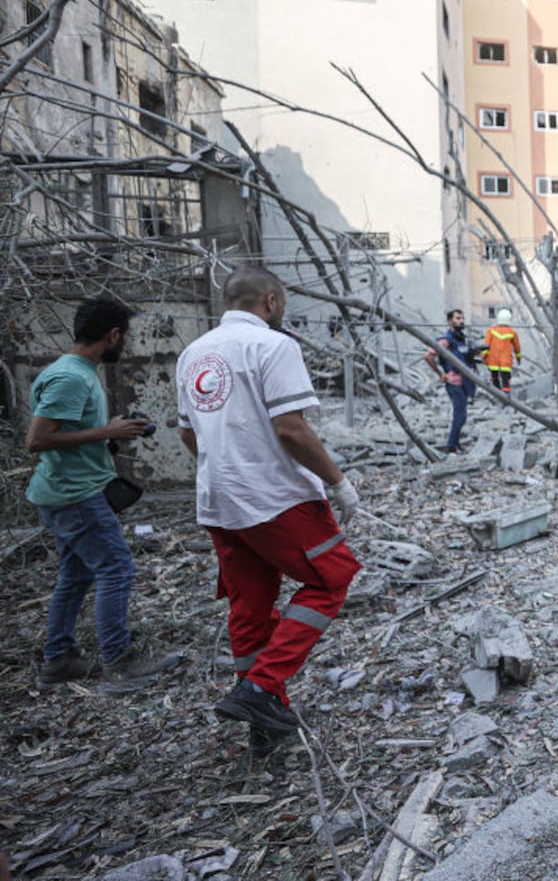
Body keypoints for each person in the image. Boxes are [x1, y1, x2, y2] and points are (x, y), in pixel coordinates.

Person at [176, 267, 363, 757]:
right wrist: (338, 482)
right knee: (333, 578)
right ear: (272, 301)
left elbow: (188, 433)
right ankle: (261, 688)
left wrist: (224, 465)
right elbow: (292, 429)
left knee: (250, 606)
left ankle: (264, 721)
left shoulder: (194, 353)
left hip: (218, 500)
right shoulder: (273, 346)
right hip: (275, 496)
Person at [26, 295, 183, 689]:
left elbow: (67, 432)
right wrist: (106, 431)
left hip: (65, 490)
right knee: (117, 568)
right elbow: (38, 439)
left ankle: (59, 659)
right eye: (125, 336)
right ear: (113, 335)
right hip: (75, 495)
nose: (125, 343)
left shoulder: (73, 371)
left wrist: (111, 432)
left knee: (76, 574)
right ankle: (119, 661)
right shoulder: (71, 378)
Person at [424, 308, 478, 453]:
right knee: (460, 416)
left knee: (461, 416)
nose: (461, 321)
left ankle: (455, 444)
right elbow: (428, 356)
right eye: (458, 318)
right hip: (454, 382)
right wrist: (440, 374)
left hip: (465, 382)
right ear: (450, 321)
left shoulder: (461, 339)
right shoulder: (446, 340)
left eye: (462, 318)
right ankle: (452, 446)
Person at [483, 308, 521, 395]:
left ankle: (496, 394)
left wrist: (484, 357)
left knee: (495, 378)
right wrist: (519, 358)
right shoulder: (512, 332)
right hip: (506, 361)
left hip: (493, 360)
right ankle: (506, 397)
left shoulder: (491, 331)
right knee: (506, 381)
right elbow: (517, 347)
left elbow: (485, 345)